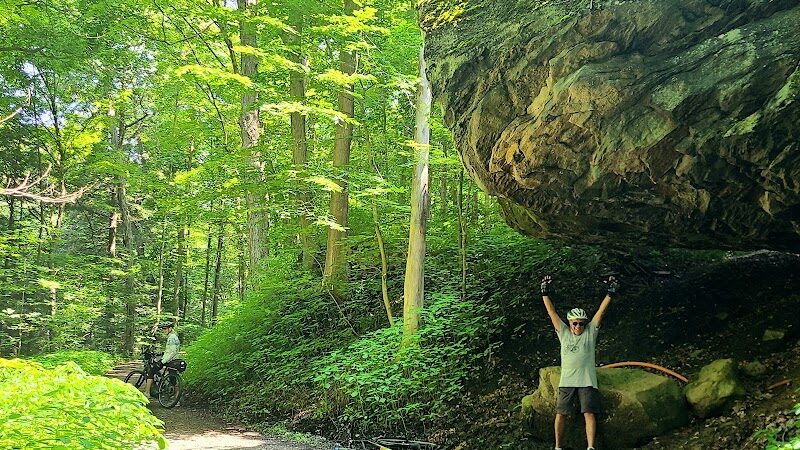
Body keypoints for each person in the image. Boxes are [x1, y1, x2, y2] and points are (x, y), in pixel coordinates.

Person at [540, 274, 618, 450]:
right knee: (561, 414)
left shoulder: (590, 333)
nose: (578, 327)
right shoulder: (564, 333)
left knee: (589, 413)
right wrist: (544, 291)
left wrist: (610, 292)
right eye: (575, 323)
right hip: (567, 381)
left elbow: (601, 312)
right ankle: (558, 447)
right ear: (569, 323)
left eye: (581, 324)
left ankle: (590, 447)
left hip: (587, 380)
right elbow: (551, 312)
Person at [143, 321, 180, 399]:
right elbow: (171, 350)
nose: (164, 330)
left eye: (165, 328)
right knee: (173, 378)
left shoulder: (172, 337)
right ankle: (177, 399)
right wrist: (162, 353)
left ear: (170, 328)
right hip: (174, 360)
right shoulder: (174, 336)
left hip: (169, 360)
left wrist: (163, 361)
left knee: (151, 371)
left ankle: (147, 393)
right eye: (163, 329)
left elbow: (172, 352)